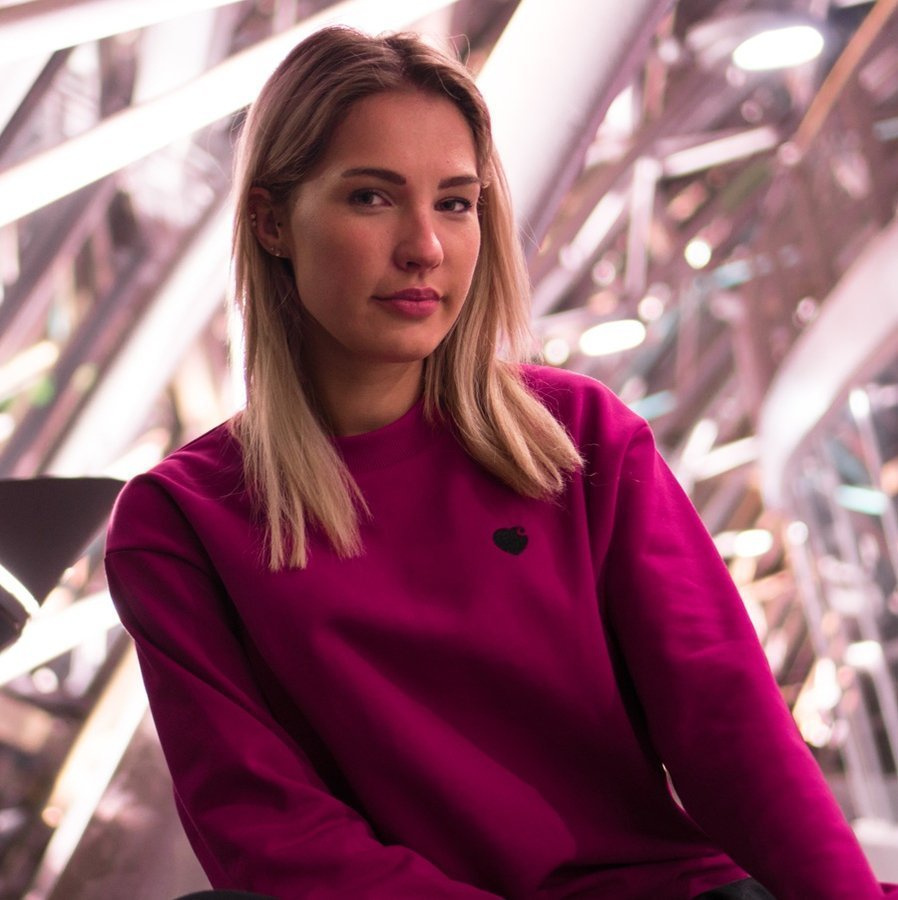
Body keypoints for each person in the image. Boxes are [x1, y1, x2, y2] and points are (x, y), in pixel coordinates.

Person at [104, 25, 896, 900]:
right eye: (372, 197)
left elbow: (728, 725)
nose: (425, 247)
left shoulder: (578, 436)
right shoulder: (179, 521)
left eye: (455, 203)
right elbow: (269, 830)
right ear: (270, 220)